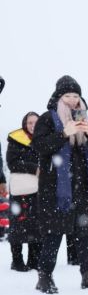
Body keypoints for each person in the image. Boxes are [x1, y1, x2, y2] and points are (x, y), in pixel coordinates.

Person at [31, 75, 88, 294]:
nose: (73, 100)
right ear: (59, 96)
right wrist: (64, 134)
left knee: (84, 232)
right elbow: (39, 146)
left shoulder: (86, 119)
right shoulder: (49, 118)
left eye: (76, 95)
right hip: (56, 189)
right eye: (68, 95)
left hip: (82, 188)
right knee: (53, 233)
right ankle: (44, 277)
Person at [6, 112, 41, 271]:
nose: (33, 125)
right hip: (20, 190)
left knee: (36, 225)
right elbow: (12, 163)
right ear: (24, 124)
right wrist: (34, 168)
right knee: (17, 225)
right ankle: (17, 260)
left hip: (38, 190)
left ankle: (34, 260)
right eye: (29, 122)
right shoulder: (15, 139)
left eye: (36, 122)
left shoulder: (44, 139)